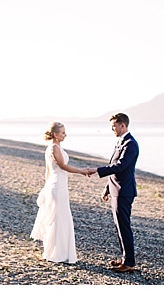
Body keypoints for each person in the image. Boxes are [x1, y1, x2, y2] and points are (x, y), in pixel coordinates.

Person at [82, 113, 140, 273]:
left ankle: (129, 262)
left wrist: (96, 170)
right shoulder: (120, 142)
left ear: (123, 125)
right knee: (119, 226)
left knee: (124, 226)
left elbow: (120, 166)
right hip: (116, 189)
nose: (112, 129)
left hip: (124, 191)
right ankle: (124, 258)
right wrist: (107, 188)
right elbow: (114, 166)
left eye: (114, 126)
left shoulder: (131, 144)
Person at [30, 121, 91, 264]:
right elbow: (62, 166)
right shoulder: (54, 148)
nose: (65, 134)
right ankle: (56, 253)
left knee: (61, 218)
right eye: (62, 132)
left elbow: (48, 171)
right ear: (56, 134)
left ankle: (59, 252)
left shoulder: (52, 147)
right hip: (57, 186)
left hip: (57, 185)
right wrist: (81, 171)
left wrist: (46, 186)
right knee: (59, 218)